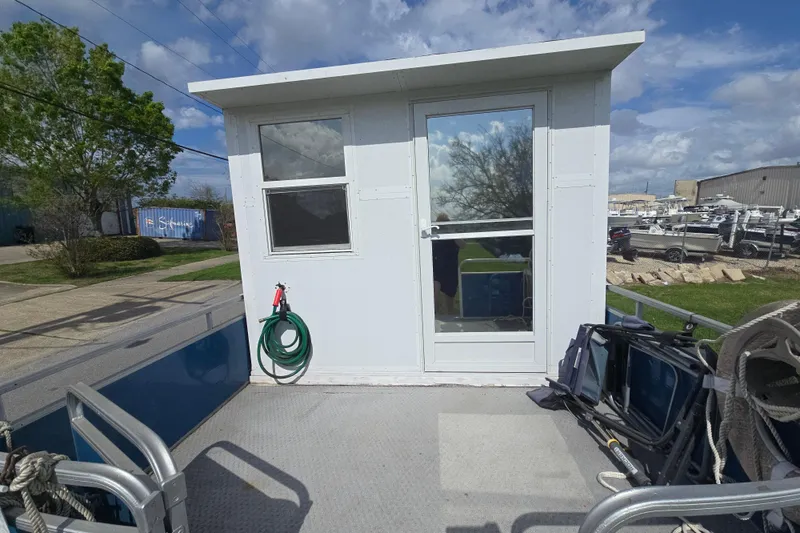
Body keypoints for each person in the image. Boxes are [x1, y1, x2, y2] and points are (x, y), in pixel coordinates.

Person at [431, 214, 465, 317]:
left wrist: (451, 232)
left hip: (450, 268)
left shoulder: (453, 235)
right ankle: (435, 314)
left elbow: (463, 245)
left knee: (450, 295)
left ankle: (449, 314)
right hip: (437, 267)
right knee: (435, 291)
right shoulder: (434, 234)